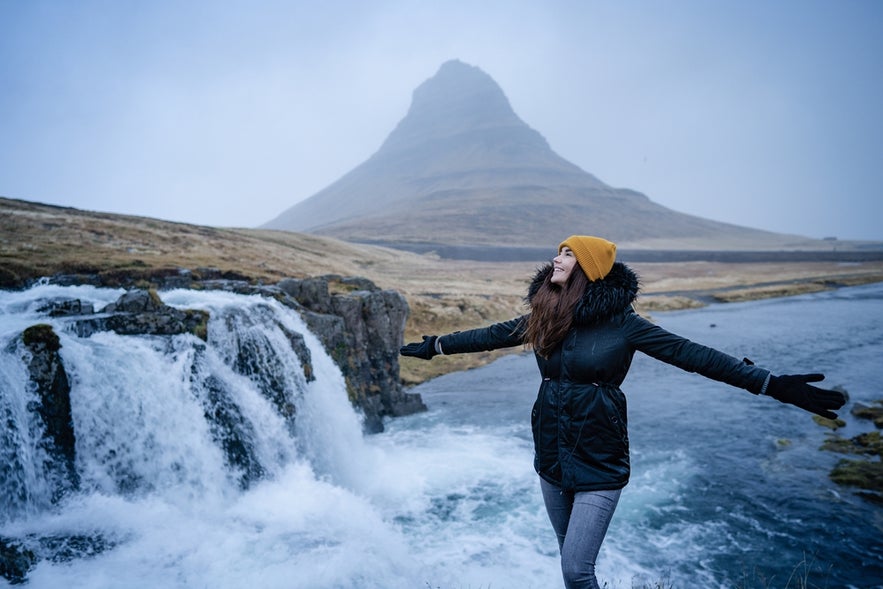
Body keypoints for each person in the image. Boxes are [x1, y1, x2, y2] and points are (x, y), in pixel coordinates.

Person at [400, 235, 847, 589]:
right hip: (551, 459)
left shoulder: (625, 325)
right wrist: (437, 346)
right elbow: (490, 335)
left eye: (568, 254)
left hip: (600, 461)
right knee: (569, 564)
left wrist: (771, 383)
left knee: (576, 571)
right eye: (558, 252)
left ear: (589, 269)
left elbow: (696, 355)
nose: (556, 259)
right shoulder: (547, 314)